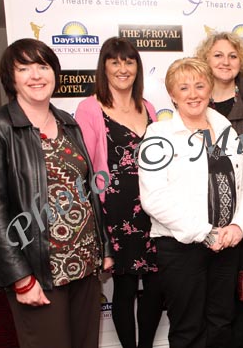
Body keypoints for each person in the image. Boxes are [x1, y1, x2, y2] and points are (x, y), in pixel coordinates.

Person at [0, 38, 113, 348]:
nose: (36, 75)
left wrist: (104, 247)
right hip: (39, 269)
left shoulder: (68, 123)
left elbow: (86, 189)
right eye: (24, 67)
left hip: (84, 264)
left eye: (43, 66)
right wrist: (20, 276)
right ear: (11, 77)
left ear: (54, 72)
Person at [138, 57, 243, 348]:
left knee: (221, 323)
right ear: (172, 95)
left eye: (200, 85)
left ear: (209, 89)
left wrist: (239, 226)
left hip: (227, 245)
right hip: (182, 248)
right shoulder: (159, 135)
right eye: (184, 87)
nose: (193, 94)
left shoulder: (225, 127)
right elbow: (154, 198)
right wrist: (206, 233)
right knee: (188, 329)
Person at [75, 37, 162, 348]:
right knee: (124, 288)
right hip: (115, 211)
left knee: (155, 287)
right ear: (104, 67)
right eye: (115, 62)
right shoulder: (89, 107)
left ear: (137, 67)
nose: (123, 68)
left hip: (154, 209)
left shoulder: (148, 106)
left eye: (129, 61)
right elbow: (84, 167)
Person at [195, 31, 243, 348]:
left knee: (242, 303)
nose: (226, 61)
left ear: (242, 62)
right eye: (218, 55)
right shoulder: (195, 98)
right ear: (205, 61)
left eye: (233, 55)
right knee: (209, 306)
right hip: (201, 221)